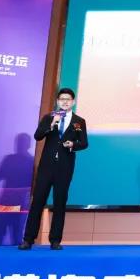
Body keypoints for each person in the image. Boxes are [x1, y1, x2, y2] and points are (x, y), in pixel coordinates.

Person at [20, 88, 89, 250]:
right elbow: (38, 136)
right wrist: (51, 125)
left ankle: (55, 240)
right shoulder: (49, 117)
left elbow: (84, 143)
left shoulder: (79, 121)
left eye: (68, 99)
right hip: (46, 167)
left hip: (65, 168)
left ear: (73, 102)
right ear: (57, 101)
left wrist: (73, 145)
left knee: (60, 202)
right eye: (62, 99)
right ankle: (28, 239)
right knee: (38, 200)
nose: (65, 102)